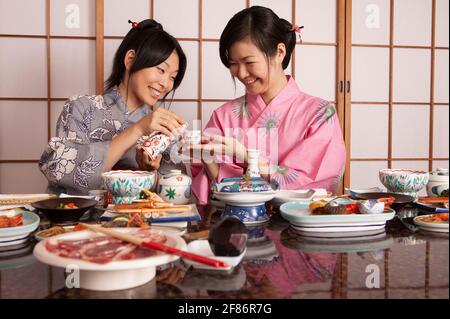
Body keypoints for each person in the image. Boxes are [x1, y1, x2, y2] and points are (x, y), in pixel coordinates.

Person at [191, 6, 346, 205]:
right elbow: (207, 186)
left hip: (301, 227)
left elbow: (314, 185)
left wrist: (246, 158)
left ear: (279, 52)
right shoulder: (222, 116)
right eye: (234, 63)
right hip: (232, 227)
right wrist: (208, 160)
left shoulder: (321, 114)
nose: (241, 73)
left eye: (249, 62)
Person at [39, 19, 187, 195]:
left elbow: (177, 190)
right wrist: (138, 129)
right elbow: (60, 171)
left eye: (172, 77)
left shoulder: (162, 129)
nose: (165, 84)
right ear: (130, 60)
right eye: (161, 70)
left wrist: (151, 173)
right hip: (82, 219)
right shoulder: (81, 107)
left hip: (140, 220)